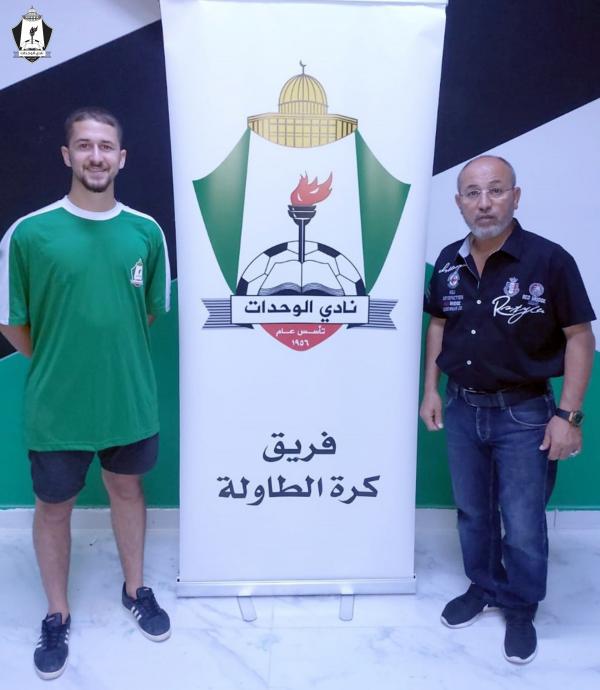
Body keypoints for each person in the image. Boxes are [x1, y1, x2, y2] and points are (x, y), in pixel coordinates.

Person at [0, 107, 172, 680]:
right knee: (53, 509)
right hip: (57, 407)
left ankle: (136, 589)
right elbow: (11, 321)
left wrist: (103, 356)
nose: (95, 156)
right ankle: (57, 613)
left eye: (105, 147)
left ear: (121, 158)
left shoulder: (146, 232)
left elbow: (146, 314)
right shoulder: (30, 233)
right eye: (84, 145)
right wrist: (61, 359)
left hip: (128, 401)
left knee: (127, 491)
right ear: (67, 155)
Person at [420, 155, 595, 664]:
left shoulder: (549, 261)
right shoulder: (448, 261)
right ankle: (483, 586)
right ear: (459, 203)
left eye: (495, 190)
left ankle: (520, 606)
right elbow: (438, 325)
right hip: (461, 407)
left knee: (522, 521)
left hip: (525, 414)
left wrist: (569, 416)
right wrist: (432, 389)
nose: (484, 203)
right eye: (472, 193)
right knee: (474, 512)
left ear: (515, 197)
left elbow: (580, 337)